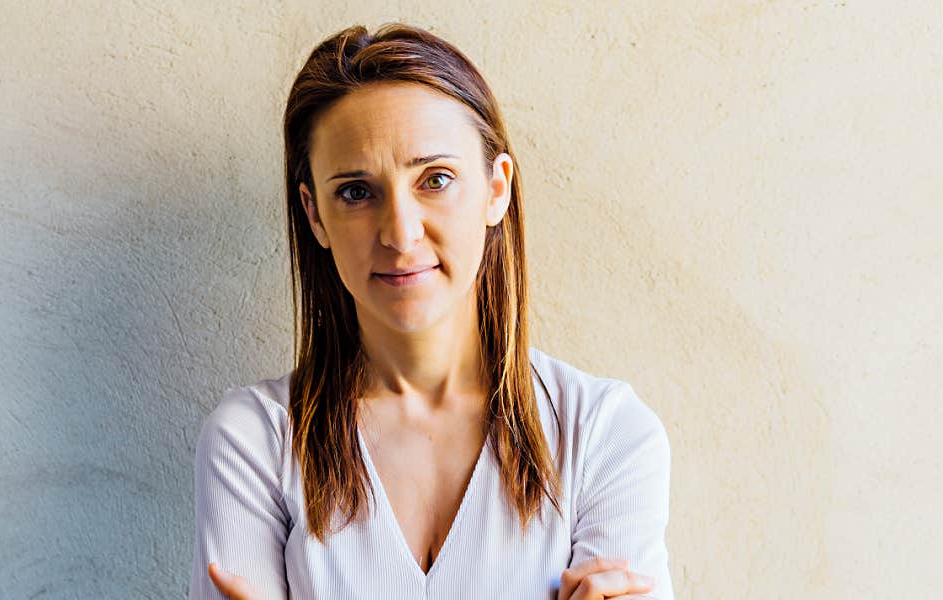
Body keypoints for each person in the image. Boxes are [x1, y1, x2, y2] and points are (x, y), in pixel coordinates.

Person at [190, 23, 673, 600]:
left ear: (497, 191)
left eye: (436, 179)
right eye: (355, 192)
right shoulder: (254, 443)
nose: (400, 232)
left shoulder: (604, 436)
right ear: (314, 213)